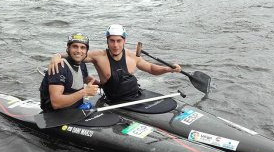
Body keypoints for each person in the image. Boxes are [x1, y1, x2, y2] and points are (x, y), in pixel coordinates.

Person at [48, 24, 181, 102]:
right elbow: (76, 55)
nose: (115, 45)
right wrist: (57, 55)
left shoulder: (132, 56)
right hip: (114, 101)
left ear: (124, 41)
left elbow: (151, 68)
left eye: (119, 41)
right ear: (107, 41)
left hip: (136, 96)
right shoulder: (98, 56)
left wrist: (168, 69)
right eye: (112, 41)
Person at [39, 33, 99, 112]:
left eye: (82, 47)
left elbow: (84, 79)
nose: (78, 51)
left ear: (86, 51)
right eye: (75, 46)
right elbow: (56, 103)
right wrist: (85, 91)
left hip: (74, 110)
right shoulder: (59, 67)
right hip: (54, 114)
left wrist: (102, 85)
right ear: (68, 48)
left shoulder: (82, 64)